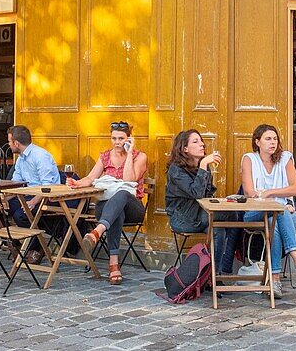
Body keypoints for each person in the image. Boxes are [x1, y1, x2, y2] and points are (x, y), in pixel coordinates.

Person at [69, 120, 148, 285]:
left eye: (121, 138)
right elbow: (91, 178)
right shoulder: (105, 156)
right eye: (114, 138)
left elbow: (129, 180)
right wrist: (77, 183)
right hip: (108, 210)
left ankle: (97, 231)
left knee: (122, 192)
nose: (117, 142)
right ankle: (114, 264)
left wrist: (130, 152)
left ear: (129, 138)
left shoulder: (140, 157)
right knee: (115, 211)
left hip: (132, 206)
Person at [241, 123, 296, 298]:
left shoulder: (285, 158)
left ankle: (275, 280)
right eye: (268, 139)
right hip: (255, 212)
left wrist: (270, 193)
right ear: (257, 142)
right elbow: (249, 192)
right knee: (277, 212)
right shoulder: (249, 159)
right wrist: (279, 202)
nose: (272, 142)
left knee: (274, 222)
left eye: (275, 139)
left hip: (285, 214)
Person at [164, 129, 235, 274]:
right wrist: (203, 166)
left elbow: (206, 195)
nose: (202, 144)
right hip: (183, 218)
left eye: (201, 141)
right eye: (195, 142)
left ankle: (214, 275)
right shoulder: (176, 170)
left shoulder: (203, 166)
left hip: (200, 215)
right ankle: (216, 274)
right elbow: (196, 193)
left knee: (219, 227)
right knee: (231, 216)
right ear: (185, 148)